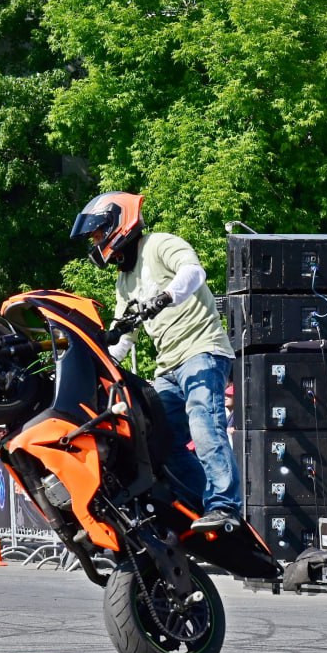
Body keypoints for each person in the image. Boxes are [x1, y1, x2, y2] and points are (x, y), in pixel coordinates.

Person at [71, 190, 240, 532]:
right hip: (168, 368)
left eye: (98, 234)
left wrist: (165, 297)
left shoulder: (160, 244)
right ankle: (199, 505)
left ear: (118, 224)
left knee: (204, 424)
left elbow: (194, 273)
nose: (97, 243)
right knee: (158, 438)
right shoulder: (124, 281)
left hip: (202, 351)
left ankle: (225, 505)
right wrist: (94, 367)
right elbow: (123, 337)